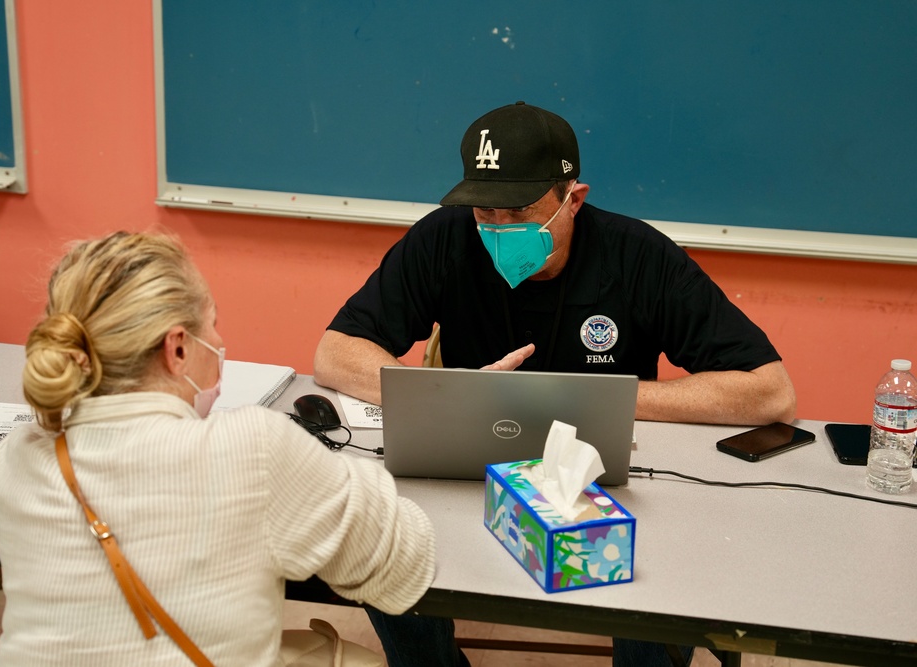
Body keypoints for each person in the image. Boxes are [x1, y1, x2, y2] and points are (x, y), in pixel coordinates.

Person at [313, 102, 797, 666]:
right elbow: (334, 351)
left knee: (656, 580)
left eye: (517, 210)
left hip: (599, 477)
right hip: (471, 461)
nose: (496, 227)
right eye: (483, 211)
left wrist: (609, 400)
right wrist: (444, 392)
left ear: (574, 198)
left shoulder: (636, 254)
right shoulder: (443, 240)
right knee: (380, 544)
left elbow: (770, 390)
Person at [0, 231, 436, 666]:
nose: (219, 343)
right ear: (177, 349)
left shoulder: (15, 457)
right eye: (212, 325)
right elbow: (403, 566)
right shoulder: (255, 450)